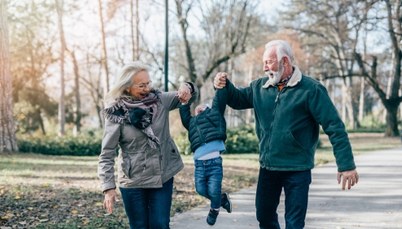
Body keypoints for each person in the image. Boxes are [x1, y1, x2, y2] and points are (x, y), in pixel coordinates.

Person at [213, 40, 359, 229]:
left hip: (297, 168)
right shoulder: (260, 87)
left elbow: (334, 127)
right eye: (264, 62)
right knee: (264, 216)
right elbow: (237, 99)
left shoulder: (311, 89)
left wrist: (346, 165)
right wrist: (223, 84)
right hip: (268, 167)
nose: (265, 67)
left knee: (294, 223)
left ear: (285, 61)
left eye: (269, 62)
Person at [98, 61, 197, 229]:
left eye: (148, 83)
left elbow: (187, 95)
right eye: (141, 85)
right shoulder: (116, 112)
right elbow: (107, 153)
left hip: (162, 174)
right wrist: (108, 188)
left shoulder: (160, 100)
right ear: (127, 87)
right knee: (139, 226)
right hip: (133, 180)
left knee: (160, 224)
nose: (147, 88)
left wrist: (187, 87)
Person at [179, 88, 232, 226]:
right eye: (197, 108)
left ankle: (214, 210)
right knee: (200, 189)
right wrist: (185, 103)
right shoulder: (192, 123)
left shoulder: (215, 114)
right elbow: (185, 115)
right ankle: (222, 199)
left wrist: (220, 87)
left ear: (209, 109)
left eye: (203, 106)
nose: (200, 107)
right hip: (199, 165)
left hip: (214, 163)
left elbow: (218, 101)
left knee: (214, 190)